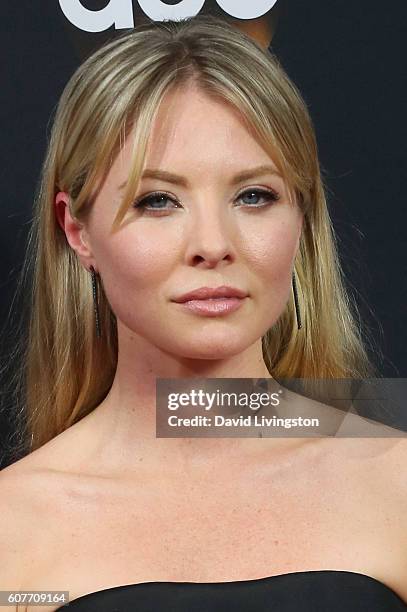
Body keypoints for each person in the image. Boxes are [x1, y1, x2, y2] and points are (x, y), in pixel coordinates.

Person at [0, 14, 406, 612]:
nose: (213, 243)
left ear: (301, 218)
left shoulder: (395, 483)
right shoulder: (16, 527)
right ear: (76, 230)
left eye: (254, 196)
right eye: (157, 200)